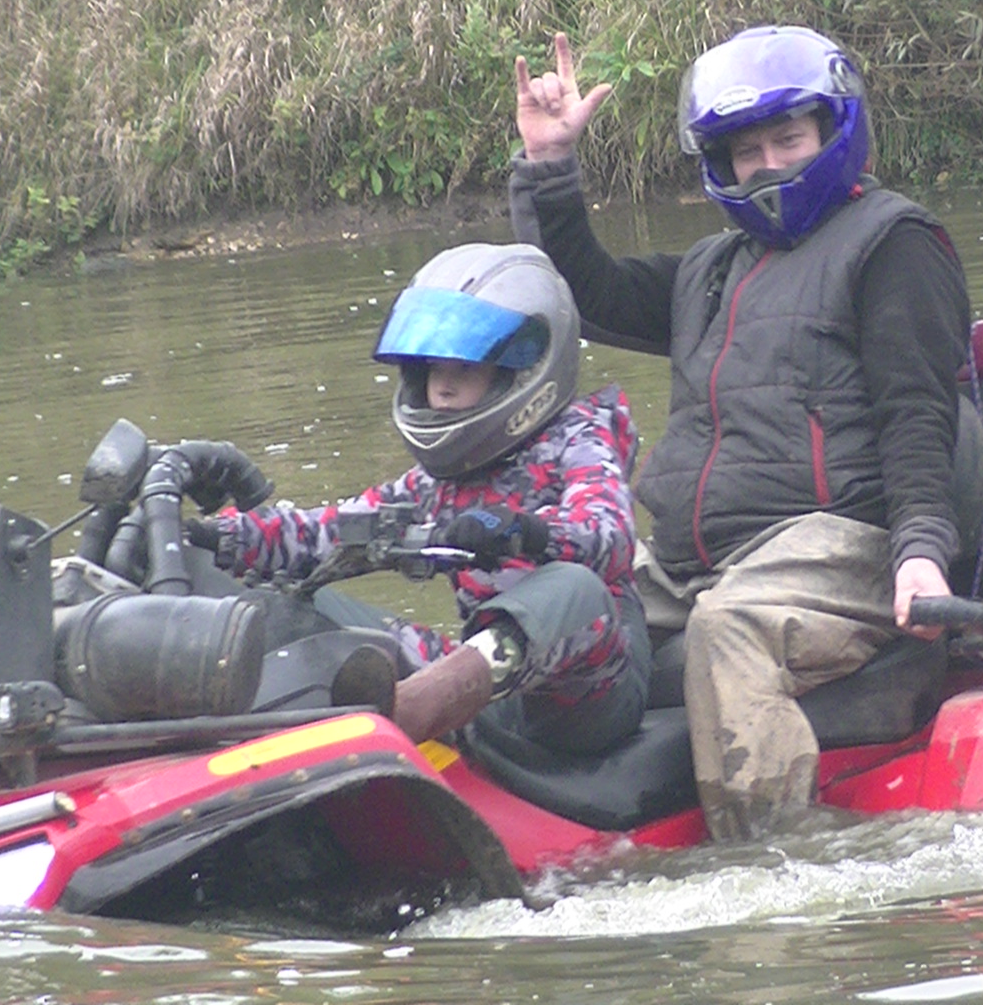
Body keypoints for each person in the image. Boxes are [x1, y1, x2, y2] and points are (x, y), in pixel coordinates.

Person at [508, 26, 973, 838]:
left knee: (728, 629)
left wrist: (923, 552)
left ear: (834, 133)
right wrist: (549, 167)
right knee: (557, 604)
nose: (768, 164)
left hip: (842, 546)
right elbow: (587, 294)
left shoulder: (894, 242)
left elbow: (918, 407)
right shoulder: (711, 269)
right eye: (747, 151)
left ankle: (768, 866)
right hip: (698, 561)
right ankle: (512, 820)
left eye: (788, 140)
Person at [191, 242, 650, 755]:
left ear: (516, 374)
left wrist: (522, 530)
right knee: (287, 603)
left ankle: (401, 716)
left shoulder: (580, 438)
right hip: (485, 685)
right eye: (434, 370)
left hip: (593, 691)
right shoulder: (436, 482)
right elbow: (327, 533)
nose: (443, 389)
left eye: (464, 370)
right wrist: (212, 537)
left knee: (574, 585)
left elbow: (610, 535)